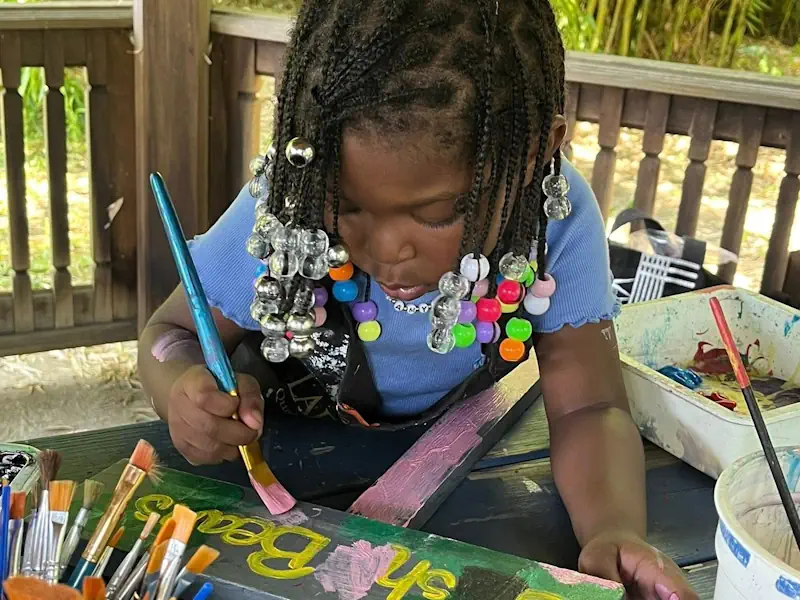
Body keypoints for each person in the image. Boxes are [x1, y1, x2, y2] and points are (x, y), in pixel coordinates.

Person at [139, 1, 697, 598]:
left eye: (436, 215)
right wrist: (180, 391)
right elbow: (170, 333)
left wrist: (611, 529)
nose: (386, 250)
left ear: (539, 154)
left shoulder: (552, 220)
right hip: (275, 478)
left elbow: (589, 407)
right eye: (347, 207)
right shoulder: (288, 199)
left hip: (464, 477)